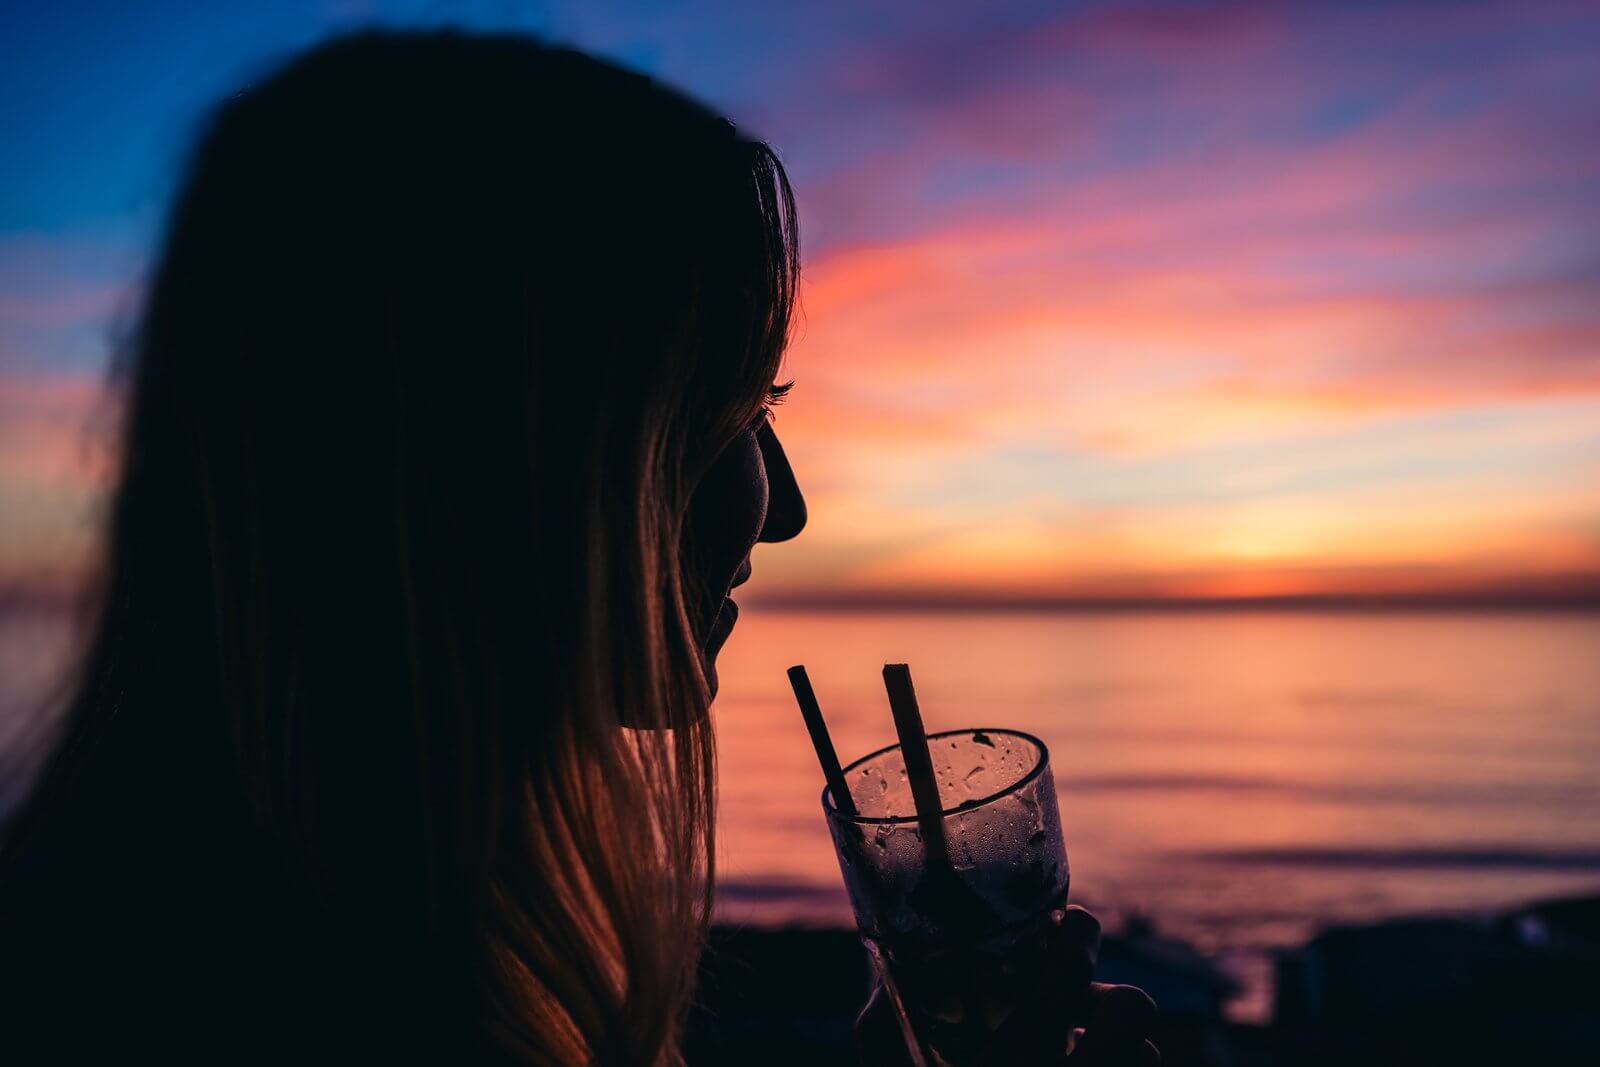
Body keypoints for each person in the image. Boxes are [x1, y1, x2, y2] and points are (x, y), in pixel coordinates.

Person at [0, 30, 1155, 1065]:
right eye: (734, 410)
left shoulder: (220, 933)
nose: (788, 508)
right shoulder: (343, 1009)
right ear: (501, 454)